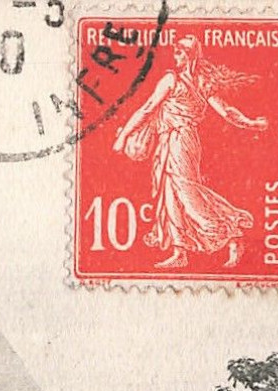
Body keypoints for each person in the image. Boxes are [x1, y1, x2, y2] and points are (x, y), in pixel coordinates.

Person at [112, 35, 268, 270]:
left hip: (181, 140)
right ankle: (180, 251)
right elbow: (225, 112)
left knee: (187, 193)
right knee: (170, 194)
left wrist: (124, 136)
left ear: (190, 55)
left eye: (180, 53)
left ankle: (231, 233)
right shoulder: (193, 81)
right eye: (175, 53)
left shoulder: (175, 80)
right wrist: (251, 123)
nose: (176, 57)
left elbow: (148, 109)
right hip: (171, 140)